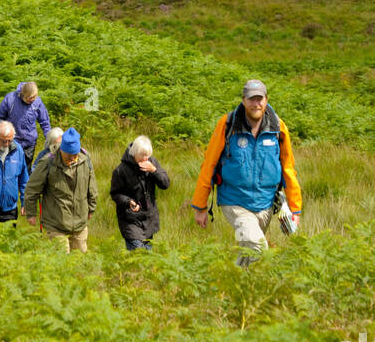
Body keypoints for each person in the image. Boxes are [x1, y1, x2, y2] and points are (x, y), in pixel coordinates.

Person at [192, 79, 302, 267]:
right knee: (259, 249)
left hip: (266, 204)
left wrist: (295, 207)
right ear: (243, 100)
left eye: (260, 99)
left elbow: (288, 168)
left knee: (248, 254)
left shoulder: (278, 127)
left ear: (266, 100)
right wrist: (200, 206)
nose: (256, 103)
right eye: (251, 99)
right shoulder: (227, 125)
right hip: (235, 203)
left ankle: (231, 288)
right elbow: (209, 165)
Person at [23, 126, 98, 252]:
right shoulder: (48, 162)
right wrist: (31, 213)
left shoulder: (85, 160)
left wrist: (91, 208)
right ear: (62, 150)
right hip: (55, 222)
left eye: (75, 156)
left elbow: (92, 187)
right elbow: (32, 189)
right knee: (62, 262)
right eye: (69, 156)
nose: (73, 159)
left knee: (80, 261)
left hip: (80, 222)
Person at [110, 135, 170, 251]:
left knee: (147, 257)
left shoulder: (152, 163)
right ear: (134, 153)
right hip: (130, 219)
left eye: (147, 155)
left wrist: (154, 171)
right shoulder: (121, 170)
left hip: (149, 218)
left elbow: (165, 184)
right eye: (142, 155)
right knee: (139, 254)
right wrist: (128, 202)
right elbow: (115, 194)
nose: (145, 158)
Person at [0, 81, 51, 171]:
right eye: (30, 97)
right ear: (22, 94)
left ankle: (25, 185)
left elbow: (45, 122)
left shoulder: (37, 102)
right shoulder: (10, 99)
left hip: (29, 143)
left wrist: (50, 138)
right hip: (12, 142)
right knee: (11, 169)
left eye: (34, 97)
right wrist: (0, 137)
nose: (33, 99)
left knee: (26, 170)